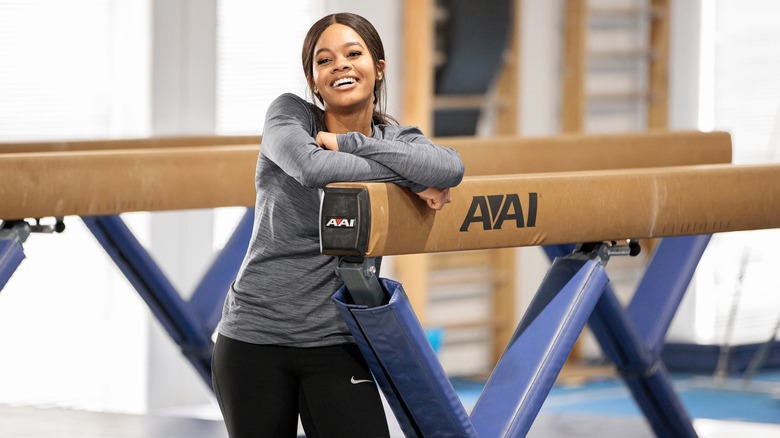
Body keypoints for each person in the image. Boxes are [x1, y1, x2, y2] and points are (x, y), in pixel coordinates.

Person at [212, 12, 465, 438]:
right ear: (313, 80)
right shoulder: (290, 117)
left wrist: (350, 142)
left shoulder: (397, 139)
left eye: (353, 54)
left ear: (378, 68)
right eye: (324, 60)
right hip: (255, 337)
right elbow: (311, 167)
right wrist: (410, 177)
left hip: (337, 341)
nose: (340, 65)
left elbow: (450, 167)